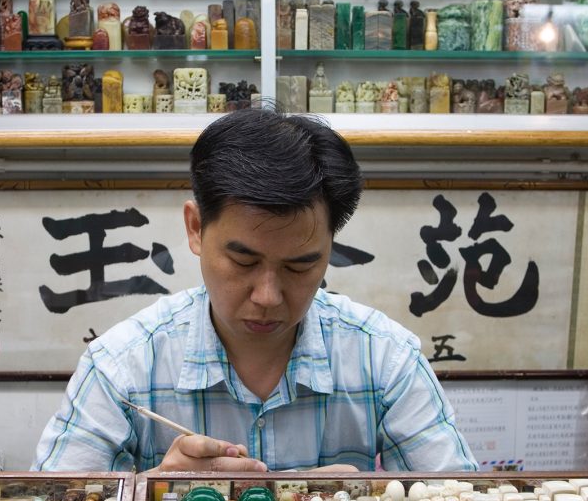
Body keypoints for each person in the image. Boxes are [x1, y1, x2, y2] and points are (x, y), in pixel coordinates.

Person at [33, 109, 476, 474]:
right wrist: (153, 494)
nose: (268, 296)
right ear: (195, 228)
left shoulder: (385, 358)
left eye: (301, 266)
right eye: (244, 261)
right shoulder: (121, 367)